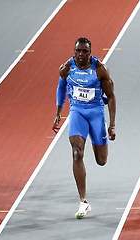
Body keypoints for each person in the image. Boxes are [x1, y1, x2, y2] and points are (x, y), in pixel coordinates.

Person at [53, 37, 116, 219]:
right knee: (76, 152)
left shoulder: (99, 69)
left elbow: (111, 96)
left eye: (85, 52)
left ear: (90, 53)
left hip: (96, 113)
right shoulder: (67, 68)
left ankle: (99, 140)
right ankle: (83, 202)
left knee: (101, 160)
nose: (81, 55)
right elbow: (61, 86)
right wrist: (58, 113)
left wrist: (112, 125)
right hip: (77, 112)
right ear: (74, 52)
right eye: (78, 51)